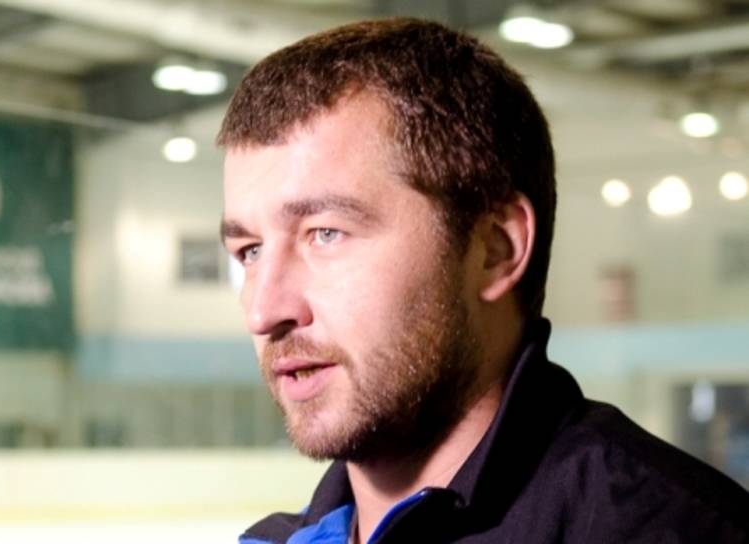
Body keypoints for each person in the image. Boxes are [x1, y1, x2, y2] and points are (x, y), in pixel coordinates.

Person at [217, 17, 749, 544]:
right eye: (250, 251)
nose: (264, 311)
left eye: (326, 234)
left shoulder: (672, 532)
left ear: (497, 250)